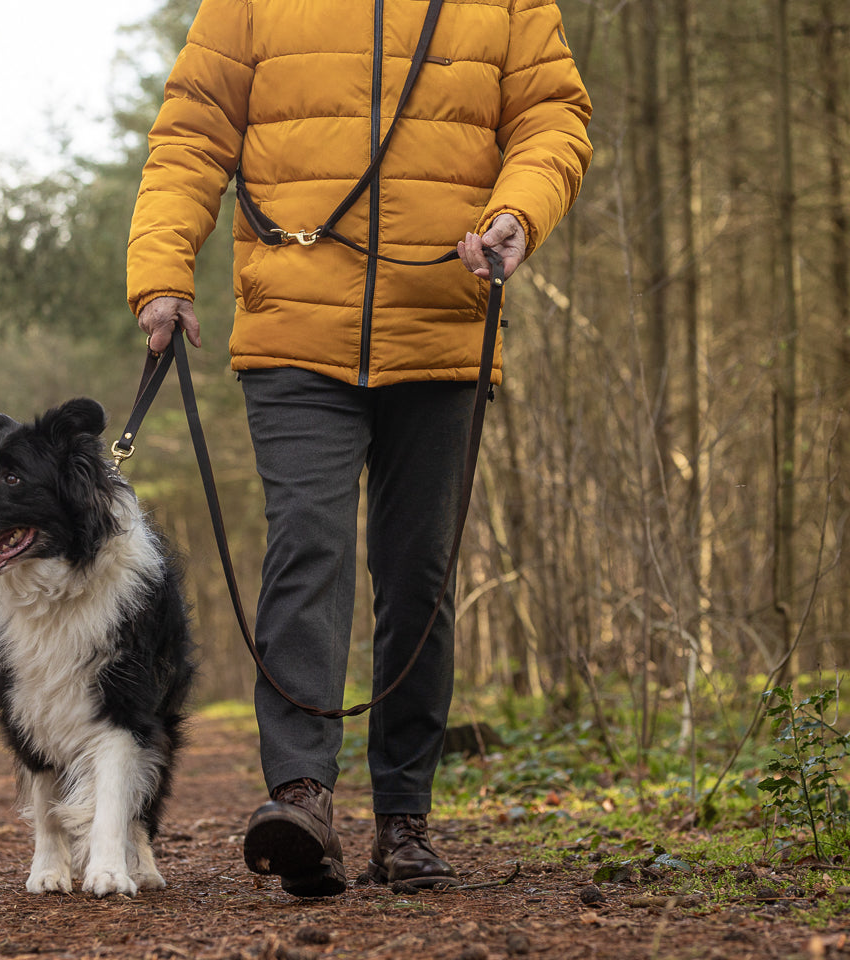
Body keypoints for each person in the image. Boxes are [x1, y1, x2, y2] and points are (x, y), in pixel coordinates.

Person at [127, 0, 592, 898]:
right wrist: (162, 273)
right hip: (295, 331)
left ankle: (404, 820)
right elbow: (191, 132)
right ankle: (301, 799)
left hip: (444, 328)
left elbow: (551, 117)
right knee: (310, 548)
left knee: (420, 576)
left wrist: (517, 217)